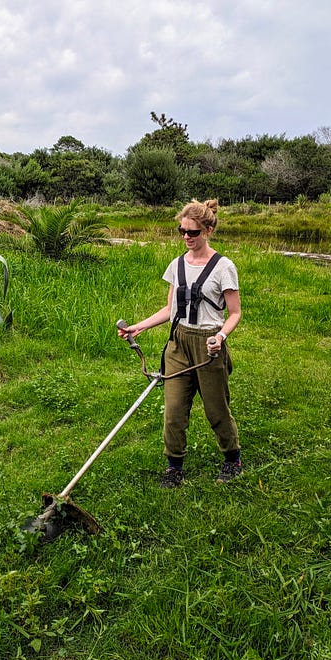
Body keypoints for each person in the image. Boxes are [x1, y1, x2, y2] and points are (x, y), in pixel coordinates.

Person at [117, 199, 242, 487]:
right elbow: (170, 309)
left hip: (208, 343)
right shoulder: (177, 265)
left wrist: (220, 337)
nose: (186, 237)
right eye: (182, 231)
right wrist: (140, 326)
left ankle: (232, 458)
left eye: (193, 232)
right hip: (178, 343)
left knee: (216, 410)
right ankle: (174, 467)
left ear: (208, 230)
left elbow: (234, 313)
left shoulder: (224, 267)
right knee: (173, 413)